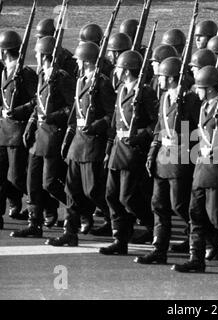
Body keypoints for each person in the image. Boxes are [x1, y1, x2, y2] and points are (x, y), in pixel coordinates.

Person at [171, 66, 218, 271]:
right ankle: (196, 258)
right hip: (201, 168)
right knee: (196, 214)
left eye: (200, 87)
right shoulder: (203, 107)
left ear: (210, 88)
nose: (196, 91)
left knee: (216, 215)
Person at [46, 41, 115, 246]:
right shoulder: (80, 81)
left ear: (85, 61)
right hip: (78, 144)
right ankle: (70, 231)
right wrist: (68, 137)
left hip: (94, 144)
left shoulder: (101, 83)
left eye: (79, 60)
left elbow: (112, 114)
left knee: (93, 190)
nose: (76, 63)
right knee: (72, 190)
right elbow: (75, 114)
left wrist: (96, 126)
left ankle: (117, 220)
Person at [134, 56, 201, 264]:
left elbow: (198, 130)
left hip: (181, 157)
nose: (158, 79)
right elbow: (159, 127)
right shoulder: (164, 98)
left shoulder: (189, 99)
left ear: (172, 77)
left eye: (161, 76)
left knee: (180, 205)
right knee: (158, 205)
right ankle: (159, 248)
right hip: (163, 157)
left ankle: (199, 240)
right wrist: (153, 151)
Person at [10, 36, 74, 237]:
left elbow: (72, 108)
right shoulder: (42, 76)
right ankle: (34, 223)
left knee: (50, 183)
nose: (35, 56)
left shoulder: (61, 77)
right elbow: (37, 105)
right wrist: (25, 119)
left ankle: (78, 211)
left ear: (45, 56)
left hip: (53, 136)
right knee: (32, 182)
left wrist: (53, 116)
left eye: (38, 53)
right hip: (38, 136)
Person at [99, 50, 157, 255]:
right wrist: (108, 149)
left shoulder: (145, 92)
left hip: (133, 151)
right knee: (112, 196)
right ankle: (120, 238)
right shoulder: (122, 89)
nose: (116, 71)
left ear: (126, 71)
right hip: (117, 149)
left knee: (128, 198)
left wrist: (139, 136)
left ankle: (152, 225)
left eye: (119, 68)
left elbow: (155, 123)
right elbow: (115, 123)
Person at [0, 30, 37, 228]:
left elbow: (37, 101)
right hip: (3, 131)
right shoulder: (5, 70)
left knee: (16, 177)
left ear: (5, 51)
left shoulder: (24, 73)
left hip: (17, 132)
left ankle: (41, 206)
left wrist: (18, 110)